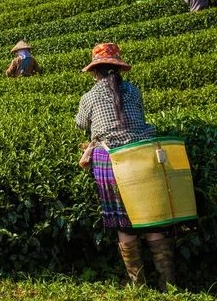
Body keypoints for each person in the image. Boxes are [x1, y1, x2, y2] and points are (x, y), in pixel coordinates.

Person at [75, 43, 174, 292]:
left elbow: (80, 125)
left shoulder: (89, 97)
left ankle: (137, 282)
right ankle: (168, 282)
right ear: (118, 69)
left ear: (95, 72)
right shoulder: (134, 91)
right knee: (152, 219)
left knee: (124, 223)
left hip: (111, 160)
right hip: (143, 155)